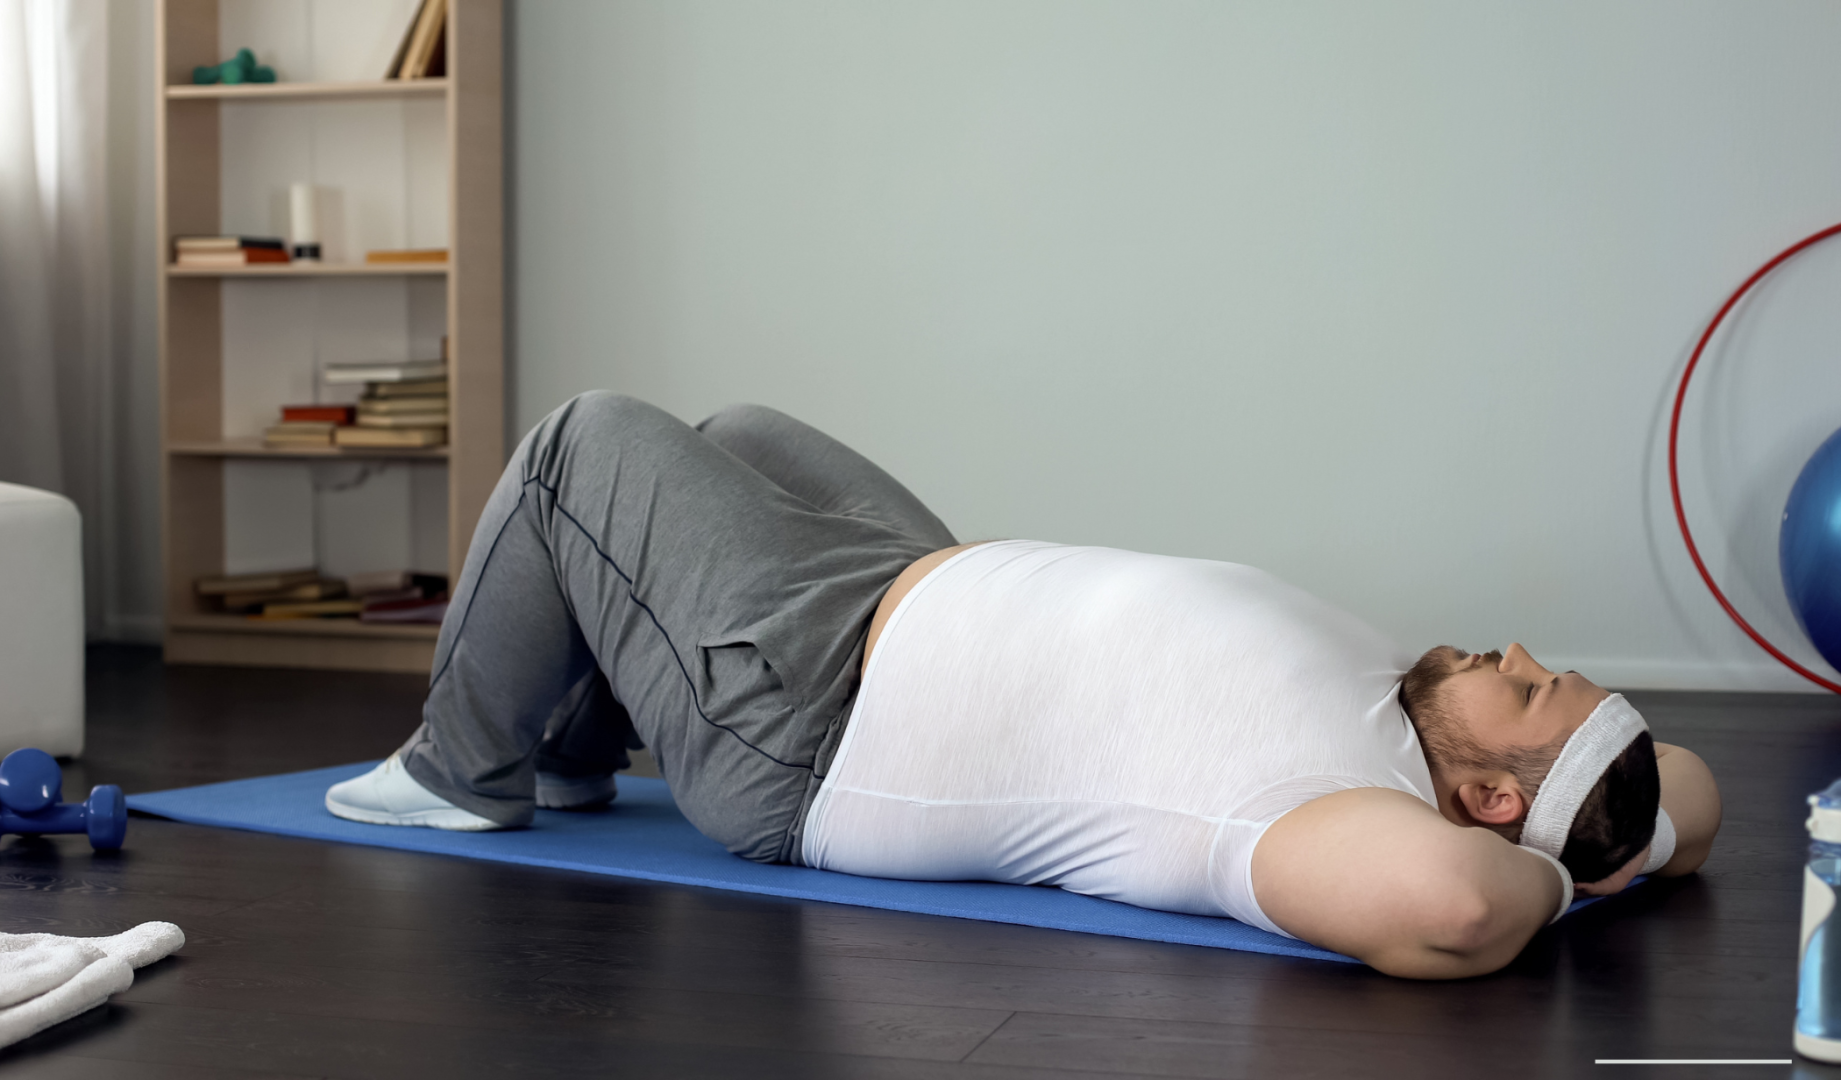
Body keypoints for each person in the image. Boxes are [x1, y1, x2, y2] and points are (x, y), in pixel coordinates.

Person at [325, 393, 1722, 979]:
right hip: (898, 587)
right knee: (740, 431)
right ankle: (572, 741)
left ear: (1485, 795)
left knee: (585, 439)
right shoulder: (1425, 729)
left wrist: (1555, 875)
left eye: (1530, 695)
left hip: (812, 713)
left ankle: (461, 774)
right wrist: (1623, 847)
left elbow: (1458, 907)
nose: (1516, 657)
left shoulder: (1337, 818)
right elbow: (1685, 799)